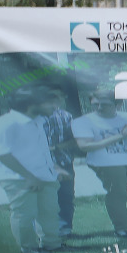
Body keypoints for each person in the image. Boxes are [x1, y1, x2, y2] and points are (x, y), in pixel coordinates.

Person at [0, 88, 67, 253]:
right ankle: (29, 248)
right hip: (18, 178)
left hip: (44, 176)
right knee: (25, 214)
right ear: (32, 104)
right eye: (51, 102)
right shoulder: (4, 124)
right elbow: (2, 154)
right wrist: (29, 177)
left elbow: (40, 150)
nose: (56, 106)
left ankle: (52, 245)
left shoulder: (38, 121)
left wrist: (54, 168)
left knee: (49, 212)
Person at [72, 88, 127, 238]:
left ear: (118, 105)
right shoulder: (82, 121)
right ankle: (124, 227)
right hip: (104, 161)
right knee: (118, 192)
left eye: (105, 104)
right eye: (96, 104)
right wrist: (121, 135)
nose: (99, 108)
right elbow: (85, 146)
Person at [33, 86, 79, 236]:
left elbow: (75, 140)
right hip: (40, 164)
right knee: (42, 199)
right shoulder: (32, 118)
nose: (55, 101)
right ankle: (44, 231)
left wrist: (56, 147)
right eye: (51, 98)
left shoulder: (66, 117)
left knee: (66, 197)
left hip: (64, 162)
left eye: (58, 97)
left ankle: (65, 228)